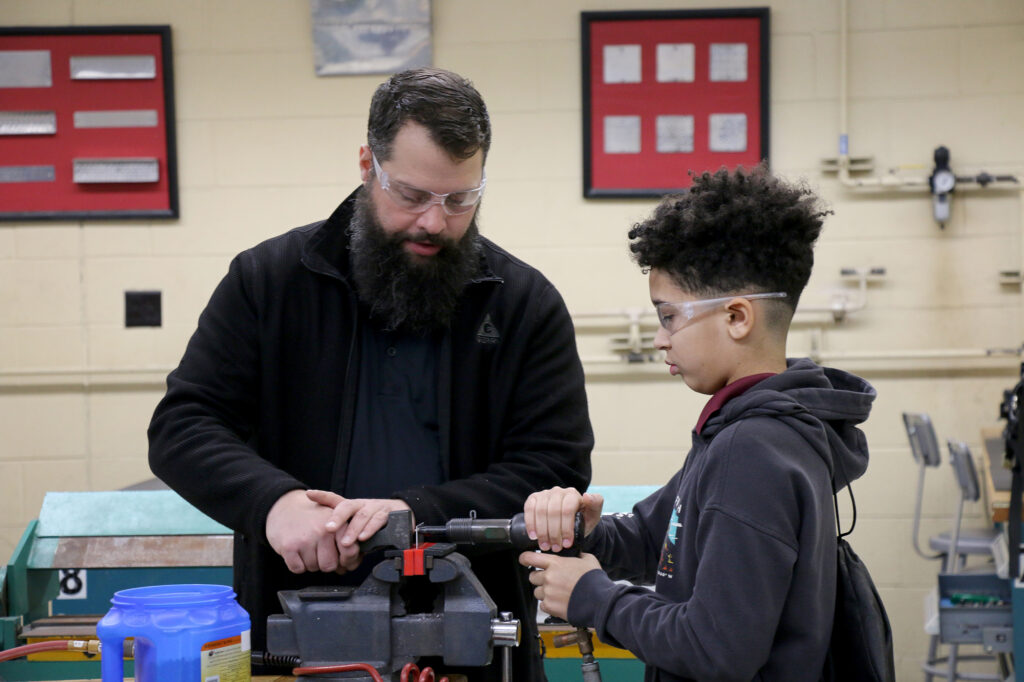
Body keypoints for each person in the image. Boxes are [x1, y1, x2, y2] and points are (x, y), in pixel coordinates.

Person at [148, 67, 593, 680]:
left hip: (477, 648)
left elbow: (555, 465)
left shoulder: (521, 304)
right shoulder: (269, 283)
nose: (435, 223)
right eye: (410, 196)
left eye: (460, 199)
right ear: (367, 164)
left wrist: (413, 512)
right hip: (295, 646)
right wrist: (272, 503)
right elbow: (184, 425)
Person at [519, 165, 876, 682]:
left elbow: (716, 649)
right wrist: (592, 533)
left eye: (669, 316)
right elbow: (651, 537)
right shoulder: (753, 429)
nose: (661, 338)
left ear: (737, 317)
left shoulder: (752, 448)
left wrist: (595, 599)